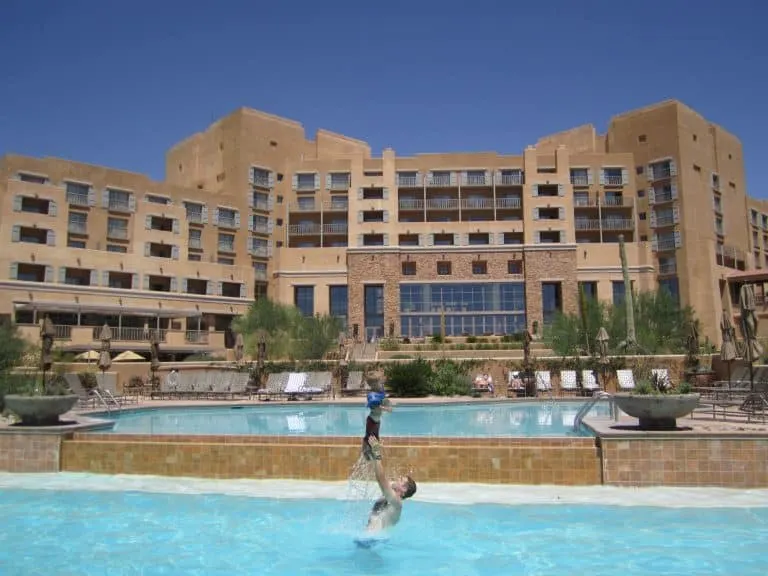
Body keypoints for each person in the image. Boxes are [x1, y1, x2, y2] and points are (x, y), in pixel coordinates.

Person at [365, 435, 417, 533]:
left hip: (373, 542)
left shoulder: (397, 503)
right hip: (369, 540)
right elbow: (380, 476)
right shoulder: (390, 498)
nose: (397, 479)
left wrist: (377, 453)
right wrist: (373, 455)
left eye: (401, 480)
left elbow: (381, 479)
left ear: (404, 489)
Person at [361, 390, 392, 460]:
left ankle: (374, 453)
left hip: (377, 422)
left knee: (376, 438)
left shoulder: (380, 404)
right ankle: (367, 452)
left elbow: (390, 410)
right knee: (369, 437)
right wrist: (380, 406)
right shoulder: (373, 404)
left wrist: (383, 407)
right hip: (371, 420)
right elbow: (368, 405)